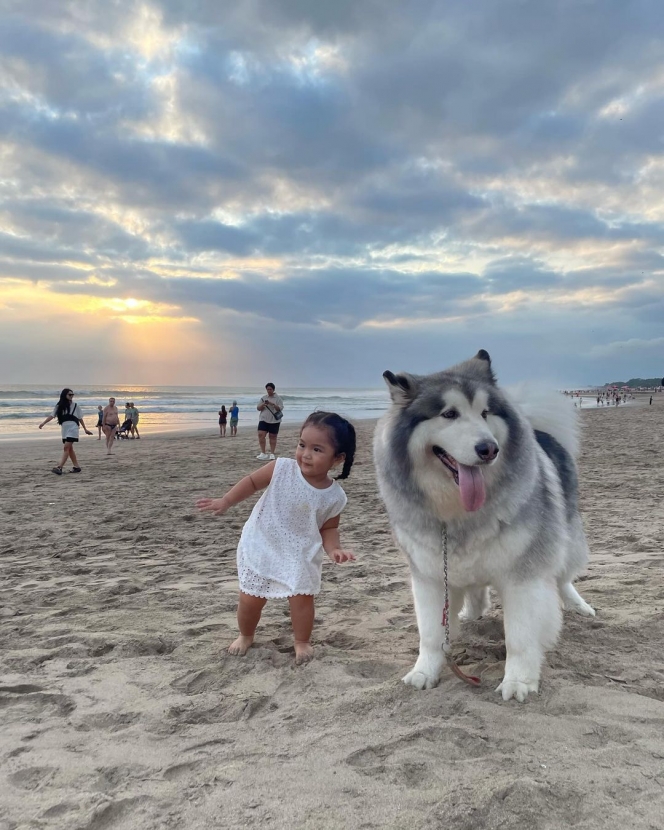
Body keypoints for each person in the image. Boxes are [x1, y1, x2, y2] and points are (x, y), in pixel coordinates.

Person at [197, 412, 357, 664]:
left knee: (302, 599)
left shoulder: (334, 496)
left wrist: (334, 550)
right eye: (302, 444)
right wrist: (225, 501)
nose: (305, 454)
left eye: (317, 449)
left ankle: (302, 641)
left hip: (300, 551)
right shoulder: (281, 468)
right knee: (251, 598)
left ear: (337, 459)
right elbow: (251, 483)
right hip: (263, 541)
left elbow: (328, 529)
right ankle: (246, 634)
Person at [38, 388, 92, 474]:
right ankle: (76, 467)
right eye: (69, 395)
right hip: (65, 429)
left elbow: (80, 418)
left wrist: (85, 429)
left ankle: (60, 467)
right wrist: (43, 423)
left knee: (66, 447)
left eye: (72, 395)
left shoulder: (75, 406)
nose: (71, 396)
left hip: (73, 428)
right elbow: (52, 415)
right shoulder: (59, 406)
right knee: (70, 449)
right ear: (64, 395)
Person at [256, 383, 284, 460]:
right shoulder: (263, 398)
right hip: (263, 419)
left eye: (270, 389)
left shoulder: (278, 398)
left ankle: (272, 453)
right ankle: (263, 453)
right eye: (267, 389)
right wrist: (263, 405)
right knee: (261, 434)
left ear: (273, 389)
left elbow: (280, 408)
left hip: (274, 420)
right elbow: (258, 408)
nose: (269, 391)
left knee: (273, 436)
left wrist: (272, 404)